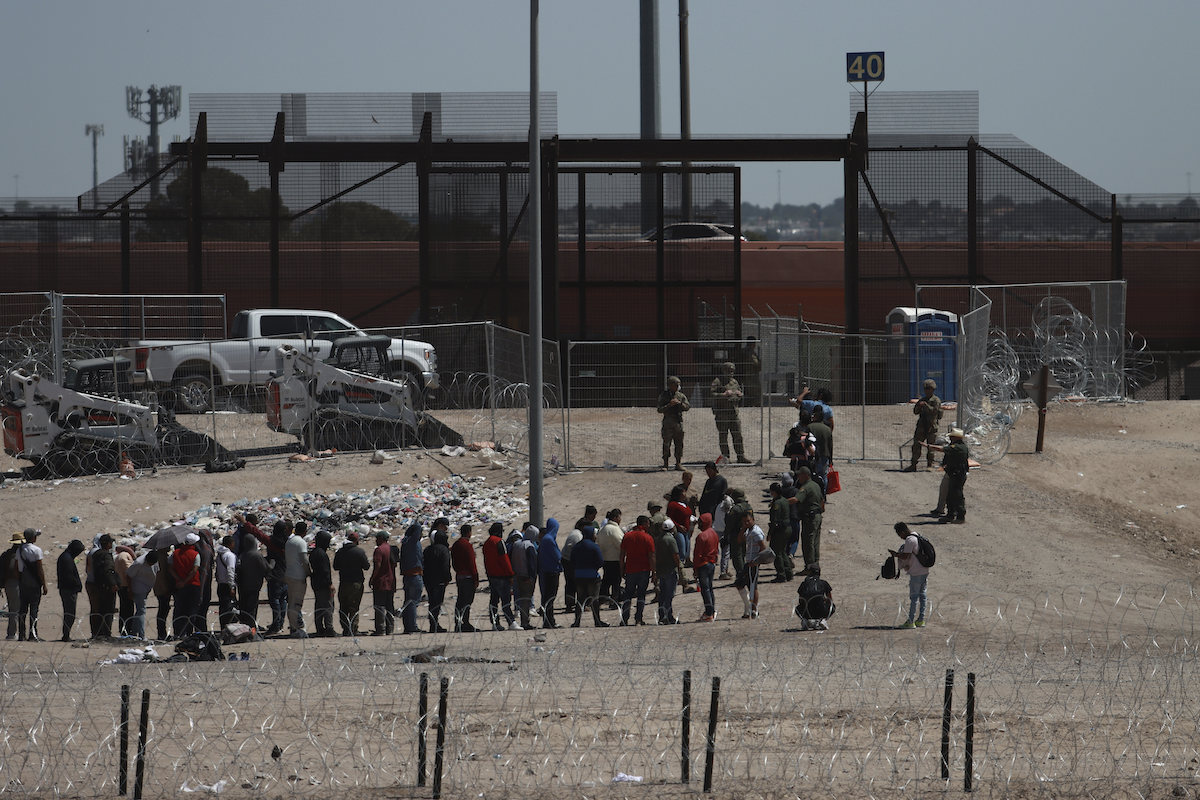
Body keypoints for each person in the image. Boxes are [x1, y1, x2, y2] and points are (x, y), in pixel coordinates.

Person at [710, 361, 751, 464]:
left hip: (734, 412)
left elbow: (740, 391)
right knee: (723, 436)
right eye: (729, 370)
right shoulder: (717, 381)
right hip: (722, 413)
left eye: (732, 371)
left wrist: (739, 394)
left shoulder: (734, 382)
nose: (731, 373)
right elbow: (712, 394)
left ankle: (740, 456)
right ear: (723, 370)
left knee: (737, 435)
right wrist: (723, 395)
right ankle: (726, 457)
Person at [618, 515, 655, 626]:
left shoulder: (627, 536)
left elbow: (622, 555)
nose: (649, 526)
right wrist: (654, 572)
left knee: (628, 595)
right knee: (641, 595)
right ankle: (638, 619)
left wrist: (621, 570)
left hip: (630, 570)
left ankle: (624, 619)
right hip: (644, 570)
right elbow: (651, 556)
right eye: (647, 523)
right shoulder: (648, 537)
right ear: (642, 524)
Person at [891, 522, 930, 628]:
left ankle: (911, 621)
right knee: (923, 595)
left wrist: (895, 554)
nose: (900, 537)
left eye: (900, 535)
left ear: (902, 532)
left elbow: (905, 556)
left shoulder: (909, 540)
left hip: (916, 572)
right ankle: (921, 620)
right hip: (924, 569)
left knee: (914, 597)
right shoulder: (916, 535)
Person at [570, 525, 609, 628]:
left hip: (579, 576)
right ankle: (597, 620)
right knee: (594, 599)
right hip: (592, 576)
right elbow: (600, 561)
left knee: (580, 599)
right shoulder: (594, 546)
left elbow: (572, 561)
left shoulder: (577, 546)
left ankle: (577, 621)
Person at [333, 531, 370, 636]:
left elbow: (335, 567)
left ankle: (345, 628)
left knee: (343, 607)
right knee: (354, 607)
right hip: (356, 583)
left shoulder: (340, 552)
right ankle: (353, 629)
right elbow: (366, 566)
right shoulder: (359, 552)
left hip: (344, 582)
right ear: (356, 541)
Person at [482, 522, 518, 630]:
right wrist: (511, 574)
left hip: (492, 576)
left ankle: (495, 623)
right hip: (502, 576)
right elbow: (504, 559)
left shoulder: (487, 543)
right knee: (505, 601)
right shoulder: (499, 542)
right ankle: (511, 622)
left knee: (493, 601)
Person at [15, 528, 48, 641]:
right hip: (34, 583)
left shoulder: (19, 550)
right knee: (34, 610)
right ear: (33, 538)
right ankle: (33, 634)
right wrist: (44, 584)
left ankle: (21, 634)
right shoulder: (37, 550)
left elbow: (17, 568)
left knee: (22, 609)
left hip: (23, 582)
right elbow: (39, 569)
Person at [793, 467, 825, 573]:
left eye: (800, 475)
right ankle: (815, 564)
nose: (798, 477)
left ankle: (810, 567)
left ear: (806, 475)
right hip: (817, 516)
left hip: (810, 518)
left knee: (808, 542)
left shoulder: (806, 487)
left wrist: (782, 501)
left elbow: (796, 499)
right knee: (815, 541)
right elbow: (822, 501)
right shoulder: (816, 485)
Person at [907, 379, 943, 472]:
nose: (926, 391)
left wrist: (925, 405)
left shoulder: (936, 400)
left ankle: (930, 465)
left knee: (930, 447)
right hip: (921, 427)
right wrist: (919, 405)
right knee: (916, 445)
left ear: (932, 389)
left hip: (931, 426)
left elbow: (934, 411)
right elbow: (915, 412)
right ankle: (913, 464)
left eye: (928, 389)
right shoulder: (922, 400)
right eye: (925, 389)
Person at [171, 533, 203, 638]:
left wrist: (179, 580)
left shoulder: (175, 553)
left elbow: (170, 568)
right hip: (193, 585)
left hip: (179, 585)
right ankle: (189, 632)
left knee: (179, 609)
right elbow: (194, 571)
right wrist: (185, 581)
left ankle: (178, 632)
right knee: (192, 609)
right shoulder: (195, 554)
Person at [734, 513, 765, 619]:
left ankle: (754, 610)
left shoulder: (756, 531)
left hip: (753, 563)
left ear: (753, 519)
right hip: (748, 562)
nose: (746, 523)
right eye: (744, 521)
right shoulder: (748, 531)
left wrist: (757, 561)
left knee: (753, 586)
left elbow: (763, 547)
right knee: (740, 584)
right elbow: (739, 540)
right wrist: (743, 529)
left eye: (748, 521)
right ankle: (748, 607)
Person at [284, 521, 311, 638]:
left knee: (291, 603)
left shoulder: (290, 541)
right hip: (298, 577)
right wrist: (308, 572)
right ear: (305, 531)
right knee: (296, 604)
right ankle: (295, 629)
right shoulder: (301, 542)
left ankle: (293, 626)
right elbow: (304, 560)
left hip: (289, 575)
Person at [450, 524, 480, 633]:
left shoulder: (456, 544)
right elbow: (472, 563)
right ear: (469, 533)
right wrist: (476, 577)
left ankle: (458, 623)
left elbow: (453, 561)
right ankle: (465, 623)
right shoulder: (467, 545)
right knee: (467, 601)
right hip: (468, 577)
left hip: (459, 576)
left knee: (460, 601)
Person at [654, 517, 683, 624]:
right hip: (670, 570)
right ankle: (668, 616)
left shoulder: (659, 539)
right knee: (669, 595)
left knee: (662, 594)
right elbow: (675, 555)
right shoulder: (671, 540)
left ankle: (662, 616)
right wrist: (679, 568)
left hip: (661, 570)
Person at [234, 536, 267, 631]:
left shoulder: (242, 555)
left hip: (242, 586)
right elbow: (265, 568)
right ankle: (252, 629)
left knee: (243, 608)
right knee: (252, 608)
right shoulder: (256, 555)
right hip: (254, 586)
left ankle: (244, 627)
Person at [657, 375, 690, 470]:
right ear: (670, 385)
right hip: (668, 422)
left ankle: (678, 463)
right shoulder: (664, 395)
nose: (678, 387)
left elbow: (687, 407)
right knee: (666, 443)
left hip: (678, 422)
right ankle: (665, 464)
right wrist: (669, 405)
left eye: (678, 385)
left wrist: (680, 404)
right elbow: (659, 409)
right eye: (676, 385)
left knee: (679, 443)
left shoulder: (680, 396)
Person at [56, 539, 86, 642]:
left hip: (67, 589)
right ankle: (66, 635)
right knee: (70, 613)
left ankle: (66, 634)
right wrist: (76, 585)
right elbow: (69, 576)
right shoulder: (66, 559)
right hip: (68, 590)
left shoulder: (66, 557)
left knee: (69, 613)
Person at [423, 526, 452, 634]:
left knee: (432, 602)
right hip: (439, 580)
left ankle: (433, 624)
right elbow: (445, 566)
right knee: (437, 603)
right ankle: (434, 624)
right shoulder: (444, 550)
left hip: (428, 580)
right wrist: (447, 578)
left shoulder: (428, 549)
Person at [398, 523, 426, 635]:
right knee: (413, 602)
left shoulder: (405, 542)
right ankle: (412, 627)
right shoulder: (413, 542)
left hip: (407, 576)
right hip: (415, 575)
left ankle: (408, 626)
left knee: (408, 602)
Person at [510, 525, 539, 630]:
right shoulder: (529, 546)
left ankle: (524, 621)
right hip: (527, 577)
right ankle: (525, 622)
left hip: (517, 576)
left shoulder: (517, 544)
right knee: (526, 600)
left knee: (521, 600)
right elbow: (532, 564)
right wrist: (532, 577)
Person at [369, 530, 397, 636]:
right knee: (389, 606)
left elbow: (378, 566)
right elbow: (394, 564)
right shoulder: (391, 549)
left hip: (381, 582)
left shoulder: (379, 550)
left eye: (377, 538)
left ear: (381, 539)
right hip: (390, 581)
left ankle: (380, 629)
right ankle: (390, 628)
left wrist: (372, 578)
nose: (376, 540)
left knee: (379, 605)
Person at [91, 534, 120, 639]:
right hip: (107, 587)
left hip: (98, 585)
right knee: (108, 610)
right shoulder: (106, 555)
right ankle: (106, 633)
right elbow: (108, 571)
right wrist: (113, 584)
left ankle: (98, 632)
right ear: (108, 544)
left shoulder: (96, 554)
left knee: (100, 609)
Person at [536, 518, 563, 629]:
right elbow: (557, 556)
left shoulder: (547, 539)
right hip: (551, 573)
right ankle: (549, 621)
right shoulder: (549, 540)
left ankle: (548, 621)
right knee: (550, 598)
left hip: (546, 572)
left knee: (547, 598)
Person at [692, 512, 719, 621]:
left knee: (705, 589)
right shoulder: (714, 533)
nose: (699, 525)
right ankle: (711, 610)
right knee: (710, 588)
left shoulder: (701, 536)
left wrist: (695, 569)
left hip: (703, 564)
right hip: (711, 563)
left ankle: (709, 613)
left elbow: (697, 554)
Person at [125, 551, 157, 640]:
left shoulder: (155, 561)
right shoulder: (139, 563)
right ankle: (142, 635)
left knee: (139, 611)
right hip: (138, 588)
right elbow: (128, 575)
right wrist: (130, 590)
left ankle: (134, 632)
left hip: (147, 587)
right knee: (141, 611)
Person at [941, 428, 971, 524]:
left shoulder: (959, 447)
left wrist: (928, 446)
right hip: (954, 473)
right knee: (950, 495)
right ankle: (950, 514)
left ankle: (960, 516)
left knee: (957, 495)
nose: (950, 437)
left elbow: (943, 449)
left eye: (951, 436)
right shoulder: (955, 446)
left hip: (958, 474)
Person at [767, 483, 795, 582]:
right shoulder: (784, 500)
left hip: (780, 531)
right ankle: (788, 573)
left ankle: (781, 574)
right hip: (787, 529)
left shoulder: (777, 503)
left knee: (776, 553)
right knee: (783, 552)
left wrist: (770, 533)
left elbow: (775, 521)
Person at [309, 531, 336, 637]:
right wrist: (330, 584)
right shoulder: (321, 554)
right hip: (324, 584)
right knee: (328, 607)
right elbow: (325, 571)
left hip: (316, 583)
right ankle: (329, 629)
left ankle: (319, 629)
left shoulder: (314, 552)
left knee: (319, 606)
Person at [596, 509, 624, 608]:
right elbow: (621, 544)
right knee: (616, 582)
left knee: (606, 581)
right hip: (615, 559)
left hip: (605, 560)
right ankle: (614, 602)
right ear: (616, 517)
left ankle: (600, 600)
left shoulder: (603, 529)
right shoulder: (614, 529)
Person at [794, 565, 835, 631]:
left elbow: (801, 600)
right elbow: (830, 600)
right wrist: (823, 601)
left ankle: (805, 620)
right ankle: (822, 620)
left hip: (806, 612)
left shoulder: (803, 584)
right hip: (821, 611)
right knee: (832, 606)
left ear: (809, 573)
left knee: (797, 608)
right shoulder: (824, 583)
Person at [2, 532, 25, 640]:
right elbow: (14, 571)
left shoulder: (6, 554)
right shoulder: (16, 555)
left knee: (13, 607)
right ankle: (12, 633)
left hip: (7, 583)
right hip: (14, 582)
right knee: (15, 609)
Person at [214, 535, 238, 629]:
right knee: (230, 608)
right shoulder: (230, 556)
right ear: (230, 544)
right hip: (228, 585)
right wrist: (232, 586)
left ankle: (223, 628)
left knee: (223, 608)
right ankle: (230, 629)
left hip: (221, 584)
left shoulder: (220, 555)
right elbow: (230, 571)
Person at [560, 524, 583, 617]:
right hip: (571, 562)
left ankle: (569, 604)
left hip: (566, 560)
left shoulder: (574, 533)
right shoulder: (578, 536)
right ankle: (578, 605)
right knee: (577, 583)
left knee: (569, 584)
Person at [114, 544, 136, 636]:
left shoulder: (119, 556)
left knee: (124, 609)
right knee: (128, 609)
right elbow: (129, 573)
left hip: (120, 585)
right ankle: (127, 629)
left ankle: (123, 628)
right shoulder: (125, 556)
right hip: (126, 586)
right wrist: (131, 588)